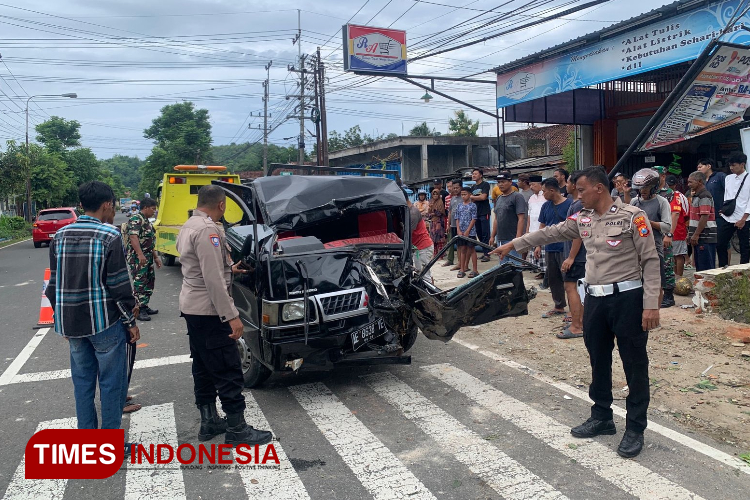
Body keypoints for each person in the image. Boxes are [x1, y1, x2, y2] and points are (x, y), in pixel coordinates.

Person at [491, 166, 660, 458]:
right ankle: (602, 417)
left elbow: (651, 261)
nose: (576, 195)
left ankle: (635, 428)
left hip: (628, 300)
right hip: (594, 300)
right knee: (598, 360)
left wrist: (651, 305)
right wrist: (513, 245)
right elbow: (549, 233)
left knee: (634, 364)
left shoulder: (633, 217)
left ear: (599, 188)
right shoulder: (582, 218)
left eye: (581, 190)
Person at [46, 181, 139, 456]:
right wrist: (130, 322)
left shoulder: (59, 236)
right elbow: (119, 286)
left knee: (83, 382)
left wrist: (59, 318)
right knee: (112, 383)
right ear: (108, 204)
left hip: (72, 324)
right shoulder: (109, 235)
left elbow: (53, 285)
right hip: (103, 324)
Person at [176, 185, 272, 446]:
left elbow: (204, 267)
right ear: (221, 205)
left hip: (193, 307)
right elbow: (213, 280)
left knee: (204, 365)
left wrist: (231, 267)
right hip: (209, 310)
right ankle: (238, 429)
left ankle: (209, 422)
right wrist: (231, 316)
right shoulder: (208, 230)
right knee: (228, 366)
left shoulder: (189, 224)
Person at [630, 168, 672, 308]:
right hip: (636, 249)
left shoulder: (661, 202)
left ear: (654, 187)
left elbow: (667, 226)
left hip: (655, 247)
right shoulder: (634, 202)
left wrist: (648, 222)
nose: (643, 190)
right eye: (640, 188)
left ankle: (655, 311)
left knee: (656, 282)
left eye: (646, 187)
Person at [537, 178, 572, 319]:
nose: (543, 194)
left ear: (552, 190)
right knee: (553, 278)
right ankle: (559, 306)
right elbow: (542, 227)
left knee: (569, 280)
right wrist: (538, 245)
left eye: (544, 191)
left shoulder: (570, 205)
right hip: (550, 247)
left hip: (566, 248)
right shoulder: (546, 206)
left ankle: (574, 310)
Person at [558, 170, 586, 339]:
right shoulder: (576, 203)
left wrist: (571, 257)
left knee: (571, 288)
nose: (566, 185)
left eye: (568, 182)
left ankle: (577, 326)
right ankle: (579, 320)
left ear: (575, 185)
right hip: (580, 256)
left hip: (578, 256)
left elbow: (578, 234)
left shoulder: (577, 205)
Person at [125, 197, 162, 322]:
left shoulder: (146, 221)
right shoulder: (136, 219)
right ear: (145, 207)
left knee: (149, 281)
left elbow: (149, 241)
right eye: (152, 209)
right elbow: (133, 237)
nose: (154, 211)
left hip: (147, 257)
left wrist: (156, 257)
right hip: (137, 258)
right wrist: (140, 254)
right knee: (140, 282)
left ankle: (145, 305)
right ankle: (139, 309)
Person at [717, 153, 750, 266]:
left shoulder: (749, 178)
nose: (731, 168)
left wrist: (744, 218)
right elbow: (727, 196)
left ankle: (743, 271)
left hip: (744, 217)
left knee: (744, 247)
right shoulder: (728, 178)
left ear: (742, 164)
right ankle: (723, 268)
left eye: (734, 165)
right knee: (720, 243)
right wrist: (724, 209)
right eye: (730, 165)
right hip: (728, 216)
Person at [489, 172, 526, 265]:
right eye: (499, 182)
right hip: (501, 239)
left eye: (503, 181)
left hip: (512, 238)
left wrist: (517, 238)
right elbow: (496, 219)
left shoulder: (517, 196)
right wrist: (493, 236)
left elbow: (521, 218)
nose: (500, 184)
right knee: (503, 267)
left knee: (515, 266)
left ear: (510, 182)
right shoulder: (499, 198)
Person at [697, 158, 728, 265]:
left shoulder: (720, 176)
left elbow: (729, 191)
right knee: (710, 243)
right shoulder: (702, 181)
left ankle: (724, 266)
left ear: (709, 166)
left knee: (721, 243)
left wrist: (725, 208)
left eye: (701, 166)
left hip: (720, 215)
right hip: (707, 216)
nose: (699, 168)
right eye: (698, 167)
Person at [687, 171, 717, 271]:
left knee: (706, 270)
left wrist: (696, 234)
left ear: (699, 182)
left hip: (705, 237)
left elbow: (704, 216)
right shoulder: (697, 196)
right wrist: (691, 234)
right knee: (700, 269)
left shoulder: (704, 196)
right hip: (700, 238)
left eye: (691, 182)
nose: (689, 184)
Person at [666, 175, 689, 277]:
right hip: (667, 230)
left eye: (671, 185)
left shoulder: (680, 197)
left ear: (675, 185)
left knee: (678, 256)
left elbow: (686, 214)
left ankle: (679, 277)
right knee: (672, 256)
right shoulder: (662, 195)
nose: (670, 187)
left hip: (678, 230)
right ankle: (675, 277)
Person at [407, 198, 434, 283]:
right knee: (421, 273)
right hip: (419, 248)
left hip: (423, 247)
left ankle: (431, 295)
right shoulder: (409, 211)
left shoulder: (413, 213)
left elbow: (408, 233)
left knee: (425, 276)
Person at [455, 186, 478, 278]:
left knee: (472, 250)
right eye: (462, 194)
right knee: (462, 249)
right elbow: (457, 218)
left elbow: (474, 218)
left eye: (465, 194)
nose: (463, 196)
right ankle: (462, 269)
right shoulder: (459, 205)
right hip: (461, 231)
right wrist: (458, 229)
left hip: (470, 232)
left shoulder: (473, 205)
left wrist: (468, 230)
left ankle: (475, 270)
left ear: (470, 195)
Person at [469, 168, 492, 262]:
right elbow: (472, 199)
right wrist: (475, 197)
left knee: (485, 233)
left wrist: (472, 197)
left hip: (484, 212)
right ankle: (484, 252)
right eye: (472, 174)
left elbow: (483, 197)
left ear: (481, 175)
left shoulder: (485, 184)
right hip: (476, 213)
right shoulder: (473, 187)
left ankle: (487, 254)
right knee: (479, 233)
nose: (473, 175)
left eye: (475, 174)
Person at [526, 175, 546, 276]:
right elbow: (529, 215)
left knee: (543, 251)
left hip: (542, 228)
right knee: (535, 252)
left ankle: (545, 272)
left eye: (533, 185)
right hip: (532, 228)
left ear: (540, 185)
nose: (531, 187)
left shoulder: (545, 196)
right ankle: (539, 270)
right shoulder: (531, 198)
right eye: (530, 185)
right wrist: (527, 230)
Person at [443, 180, 462, 269]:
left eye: (457, 188)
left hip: (461, 226)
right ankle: (454, 261)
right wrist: (448, 224)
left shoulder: (464, 197)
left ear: (461, 188)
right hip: (453, 225)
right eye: (454, 188)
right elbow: (450, 212)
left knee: (461, 245)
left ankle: (461, 263)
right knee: (453, 244)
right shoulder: (452, 199)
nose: (455, 190)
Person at [428, 188, 446, 255]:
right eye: (434, 194)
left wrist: (434, 212)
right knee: (433, 239)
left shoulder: (440, 202)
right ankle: (435, 254)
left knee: (440, 239)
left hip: (439, 222)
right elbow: (428, 214)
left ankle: (441, 254)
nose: (435, 195)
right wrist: (430, 209)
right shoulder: (431, 201)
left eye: (436, 194)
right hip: (433, 222)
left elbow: (441, 213)